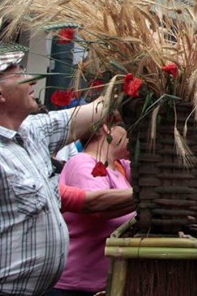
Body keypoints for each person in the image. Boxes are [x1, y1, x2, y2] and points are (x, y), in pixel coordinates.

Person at [0, 52, 106, 296]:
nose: (32, 80)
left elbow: (97, 110)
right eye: (20, 74)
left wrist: (136, 78)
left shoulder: (30, 131)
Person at [49, 123, 133, 296]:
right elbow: (99, 207)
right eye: (125, 127)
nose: (129, 134)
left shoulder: (120, 167)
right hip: (75, 288)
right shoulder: (83, 163)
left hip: (103, 284)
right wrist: (146, 195)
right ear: (106, 127)